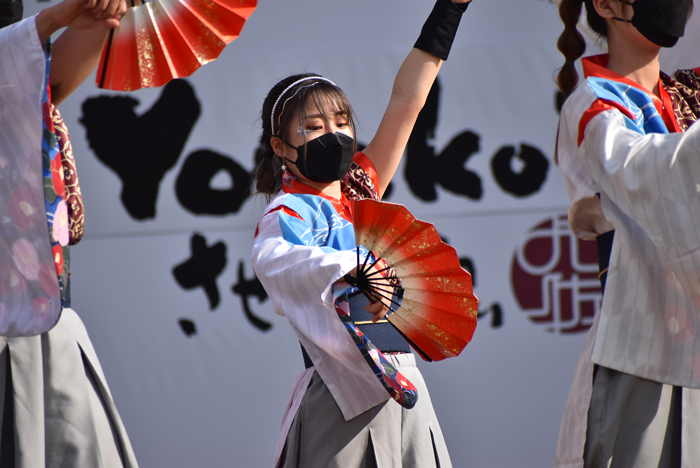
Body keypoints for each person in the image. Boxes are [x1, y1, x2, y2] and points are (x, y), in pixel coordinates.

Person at [251, 0, 473, 466]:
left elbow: (408, 100)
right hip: (341, 394)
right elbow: (273, 260)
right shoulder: (289, 209)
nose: (333, 134)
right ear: (280, 146)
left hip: (404, 384)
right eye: (312, 127)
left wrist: (450, 10)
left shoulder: (360, 187)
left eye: (342, 122)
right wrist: (348, 267)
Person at [554, 0, 700, 466]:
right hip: (640, 349)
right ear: (607, 4)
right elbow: (647, 172)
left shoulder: (689, 94)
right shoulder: (593, 106)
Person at [0, 0, 139, 465]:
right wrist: (53, 20)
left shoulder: (24, 84)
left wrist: (102, 13)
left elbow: (46, 80)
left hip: (44, 319)